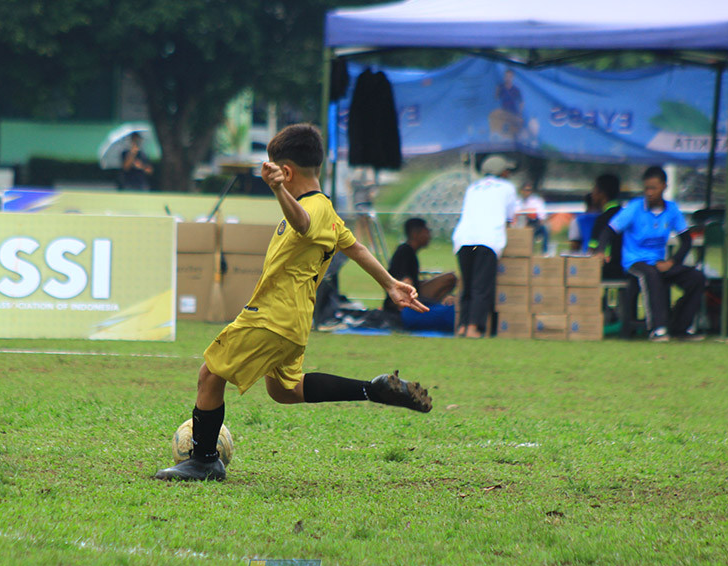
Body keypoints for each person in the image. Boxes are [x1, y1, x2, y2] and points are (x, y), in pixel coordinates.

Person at [155, 124, 432, 482]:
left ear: (286, 171)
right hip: (295, 323)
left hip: (271, 317)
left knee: (210, 374)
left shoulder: (310, 209)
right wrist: (390, 283)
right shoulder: (328, 211)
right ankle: (371, 388)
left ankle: (204, 459)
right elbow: (356, 247)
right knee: (285, 390)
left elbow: (301, 223)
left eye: (277, 171)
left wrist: (277, 190)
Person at [593, 166, 705, 342]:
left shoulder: (672, 210)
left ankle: (680, 328)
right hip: (635, 262)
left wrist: (673, 261)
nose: (649, 192)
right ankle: (657, 329)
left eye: (654, 188)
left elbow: (686, 240)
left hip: (659, 261)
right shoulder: (635, 208)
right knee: (651, 275)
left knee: (696, 278)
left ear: (664, 187)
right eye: (646, 188)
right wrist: (600, 251)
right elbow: (609, 230)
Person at [452, 155, 518, 339]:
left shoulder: (473, 187)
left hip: (463, 239)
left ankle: (462, 326)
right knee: (482, 286)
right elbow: (510, 216)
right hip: (488, 239)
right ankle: (474, 327)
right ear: (503, 172)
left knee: (468, 284)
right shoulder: (507, 188)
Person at [383, 217, 457, 331]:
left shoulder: (409, 251)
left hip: (411, 297)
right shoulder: (405, 252)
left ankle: (436, 305)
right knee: (449, 278)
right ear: (415, 233)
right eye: (426, 232)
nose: (429, 236)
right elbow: (405, 282)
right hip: (402, 304)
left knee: (449, 278)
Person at [586, 173, 625, 280]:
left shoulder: (603, 219)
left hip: (610, 269)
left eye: (594, 190)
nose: (592, 194)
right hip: (627, 267)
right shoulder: (625, 215)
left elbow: (592, 250)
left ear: (601, 193)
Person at [515, 181, 549, 255]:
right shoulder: (516, 201)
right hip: (518, 226)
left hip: (533, 225)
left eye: (529, 190)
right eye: (526, 190)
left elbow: (542, 216)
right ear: (522, 190)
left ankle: (544, 252)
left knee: (545, 229)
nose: (528, 192)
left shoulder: (537, 201)